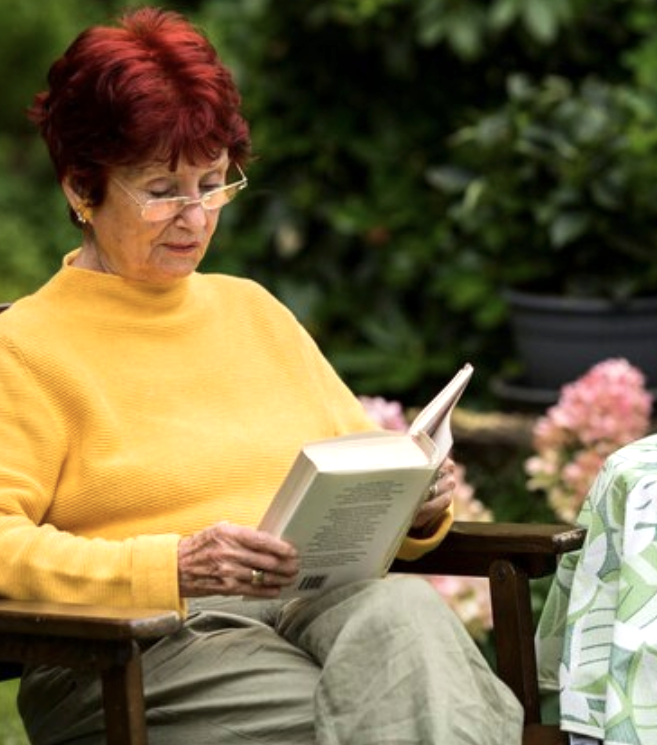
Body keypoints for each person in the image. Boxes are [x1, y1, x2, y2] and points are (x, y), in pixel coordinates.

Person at [0, 7, 523, 743]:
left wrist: (416, 497)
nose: (194, 217)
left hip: (315, 610)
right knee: (400, 707)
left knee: (406, 620)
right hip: (146, 644)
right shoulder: (26, 346)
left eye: (213, 183)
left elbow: (359, 467)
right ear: (81, 188)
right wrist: (172, 564)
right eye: (162, 189)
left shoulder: (252, 309)